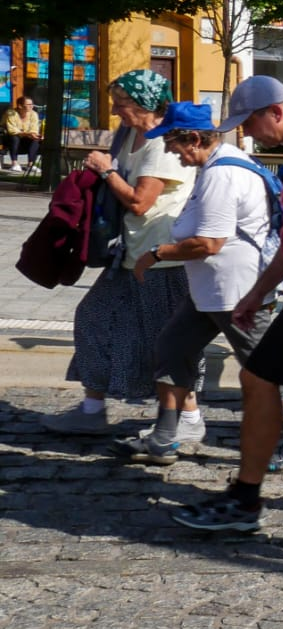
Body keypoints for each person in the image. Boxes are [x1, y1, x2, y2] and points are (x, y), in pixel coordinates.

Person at [173, 77, 283, 534]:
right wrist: (258, 292)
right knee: (258, 377)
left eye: (250, 123)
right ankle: (245, 496)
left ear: (275, 111)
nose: (248, 134)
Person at [125, 102, 283, 464]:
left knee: (265, 368)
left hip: (236, 293)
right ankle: (165, 437)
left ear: (195, 139)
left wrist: (156, 253)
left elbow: (209, 243)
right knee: (171, 347)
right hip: (210, 291)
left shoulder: (221, 174)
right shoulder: (216, 164)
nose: (169, 151)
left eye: (172, 142)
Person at [64, 69, 194, 426]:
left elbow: (140, 202)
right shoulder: (130, 136)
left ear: (146, 103)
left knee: (165, 338)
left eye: (123, 103)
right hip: (129, 252)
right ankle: (92, 410)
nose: (116, 109)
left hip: (162, 258)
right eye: (116, 101)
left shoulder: (161, 144)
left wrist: (107, 172)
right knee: (93, 318)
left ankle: (188, 417)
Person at [4, 93, 40, 172]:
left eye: (32, 104)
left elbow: (34, 129)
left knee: (35, 140)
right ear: (20, 106)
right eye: (29, 104)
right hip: (9, 138)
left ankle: (31, 165)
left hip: (25, 138)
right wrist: (27, 134)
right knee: (15, 138)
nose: (32, 106)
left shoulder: (34, 114)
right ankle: (14, 163)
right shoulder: (11, 113)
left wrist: (33, 135)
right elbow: (12, 130)